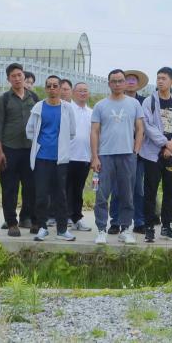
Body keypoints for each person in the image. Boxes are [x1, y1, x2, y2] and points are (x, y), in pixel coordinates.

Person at [91, 69, 145, 244]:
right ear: (109, 83)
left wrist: (136, 150)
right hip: (105, 156)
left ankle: (126, 229)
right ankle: (101, 230)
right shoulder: (100, 105)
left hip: (127, 155)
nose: (117, 84)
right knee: (101, 195)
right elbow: (94, 131)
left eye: (120, 81)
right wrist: (95, 156)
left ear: (124, 83)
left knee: (127, 195)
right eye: (114, 81)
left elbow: (140, 128)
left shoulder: (134, 104)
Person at [26, 74, 77, 241]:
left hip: (60, 159)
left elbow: (72, 132)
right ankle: (42, 227)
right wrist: (41, 144)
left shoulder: (67, 108)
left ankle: (62, 230)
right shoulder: (38, 107)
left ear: (60, 88)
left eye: (56, 86)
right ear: (45, 88)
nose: (52, 89)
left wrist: (60, 144)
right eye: (49, 86)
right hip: (41, 157)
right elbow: (30, 130)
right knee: (41, 195)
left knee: (60, 195)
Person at [140, 66, 172, 242]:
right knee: (150, 191)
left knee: (170, 192)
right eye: (158, 78)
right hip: (153, 154)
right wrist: (164, 143)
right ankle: (149, 228)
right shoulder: (149, 101)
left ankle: (166, 227)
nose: (160, 81)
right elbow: (147, 125)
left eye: (164, 78)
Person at [0, 62, 38, 236]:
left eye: (20, 75)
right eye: (13, 76)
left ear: (24, 77)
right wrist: (0, 152)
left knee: (31, 187)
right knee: (9, 189)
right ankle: (11, 223)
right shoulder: (4, 99)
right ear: (8, 79)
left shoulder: (34, 98)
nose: (17, 78)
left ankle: (30, 219)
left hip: (30, 150)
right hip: (9, 150)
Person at [121, 68, 149, 234]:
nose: (130, 82)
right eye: (128, 79)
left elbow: (146, 126)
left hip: (139, 152)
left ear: (138, 84)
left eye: (134, 80)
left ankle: (139, 221)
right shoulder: (117, 100)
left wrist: (137, 146)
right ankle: (116, 222)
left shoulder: (144, 102)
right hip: (119, 150)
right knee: (118, 189)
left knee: (138, 188)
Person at [66, 82, 95, 232]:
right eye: (80, 91)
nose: (83, 93)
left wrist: (94, 156)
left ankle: (76, 218)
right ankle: (63, 219)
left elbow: (95, 134)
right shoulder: (66, 109)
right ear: (73, 93)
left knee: (78, 190)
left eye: (85, 91)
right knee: (64, 189)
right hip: (67, 157)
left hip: (84, 157)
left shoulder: (92, 112)